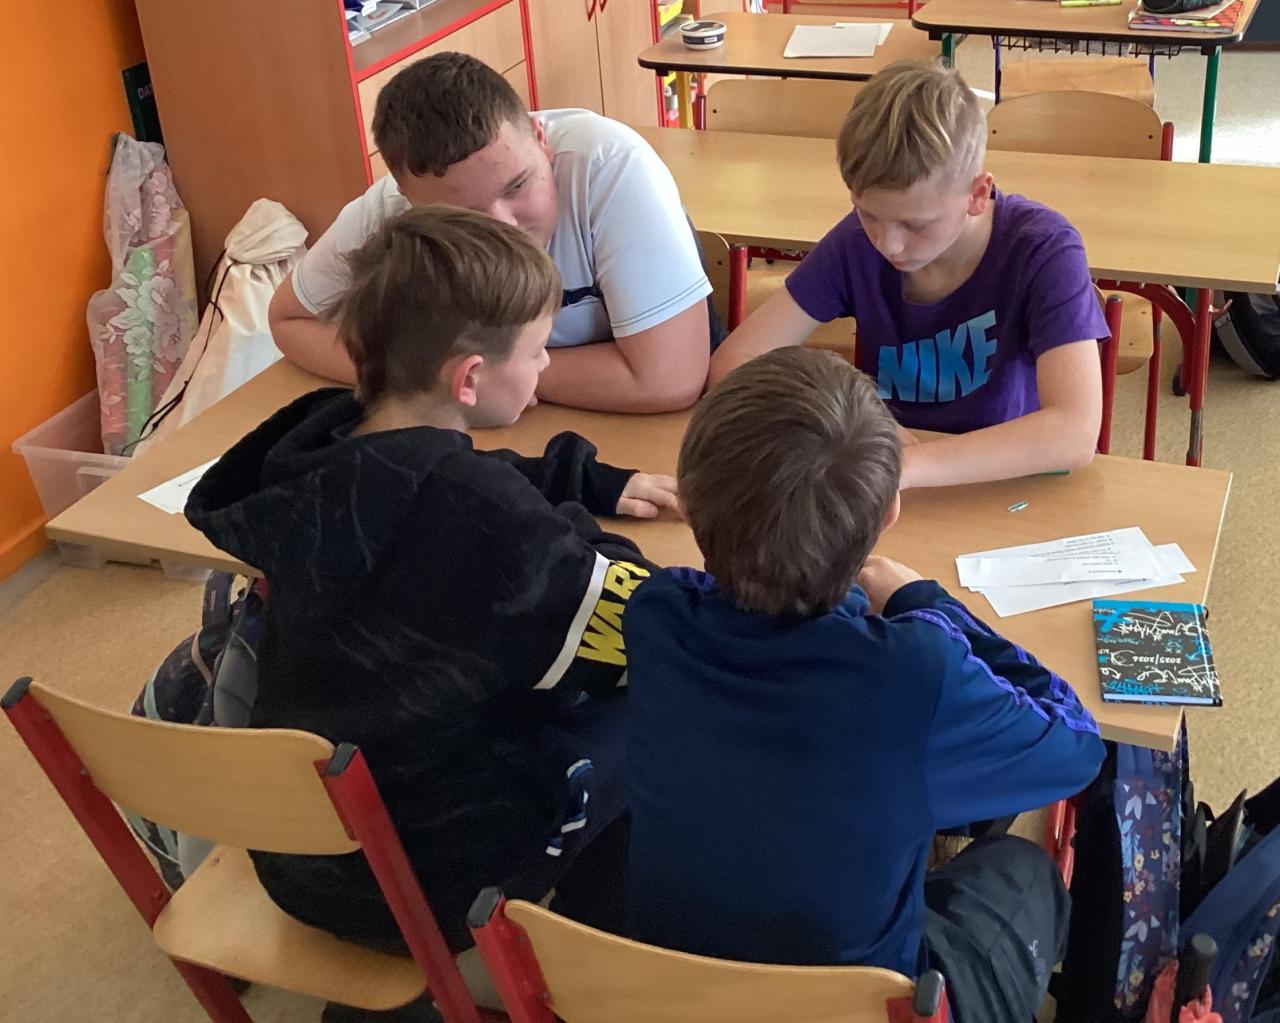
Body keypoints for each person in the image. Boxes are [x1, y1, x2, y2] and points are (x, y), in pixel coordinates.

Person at [187, 205, 677, 962]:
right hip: (433, 884)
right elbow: (640, 616)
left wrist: (574, 476)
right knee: (664, 704)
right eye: (538, 352)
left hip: (303, 858)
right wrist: (578, 519)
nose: (546, 368)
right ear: (471, 377)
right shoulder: (488, 523)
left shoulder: (319, 445)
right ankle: (595, 949)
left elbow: (444, 470)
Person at [623, 348, 1106, 1023]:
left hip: (672, 991)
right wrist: (922, 600)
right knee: (1022, 870)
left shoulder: (655, 615)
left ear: (689, 504)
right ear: (889, 515)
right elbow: (1079, 747)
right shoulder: (913, 670)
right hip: (856, 1000)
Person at [708, 61, 1110, 489]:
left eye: (915, 225)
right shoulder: (854, 243)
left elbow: (1075, 431)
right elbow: (732, 366)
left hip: (1001, 482)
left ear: (977, 194)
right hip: (886, 481)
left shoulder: (1042, 248)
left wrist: (902, 466)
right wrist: (847, 416)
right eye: (867, 214)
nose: (889, 244)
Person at [269, 51, 716, 414]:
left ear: (541, 138)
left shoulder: (611, 167)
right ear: (409, 200)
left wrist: (484, 380)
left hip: (630, 431)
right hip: (494, 431)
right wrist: (435, 381)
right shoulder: (388, 209)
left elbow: (669, 379)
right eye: (464, 214)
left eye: (517, 186)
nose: (505, 228)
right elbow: (291, 321)